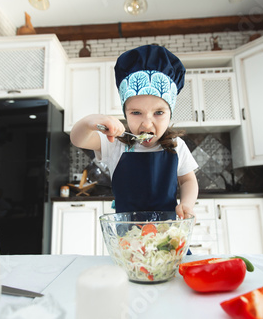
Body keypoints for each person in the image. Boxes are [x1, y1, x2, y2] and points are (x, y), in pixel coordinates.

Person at [70, 45, 199, 219]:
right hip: (128, 237)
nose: (147, 123)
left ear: (170, 114)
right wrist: (91, 121)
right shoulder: (115, 143)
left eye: (159, 113)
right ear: (125, 114)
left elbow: (188, 180)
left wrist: (187, 204)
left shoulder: (177, 146)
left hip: (168, 235)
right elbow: (78, 139)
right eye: (136, 113)